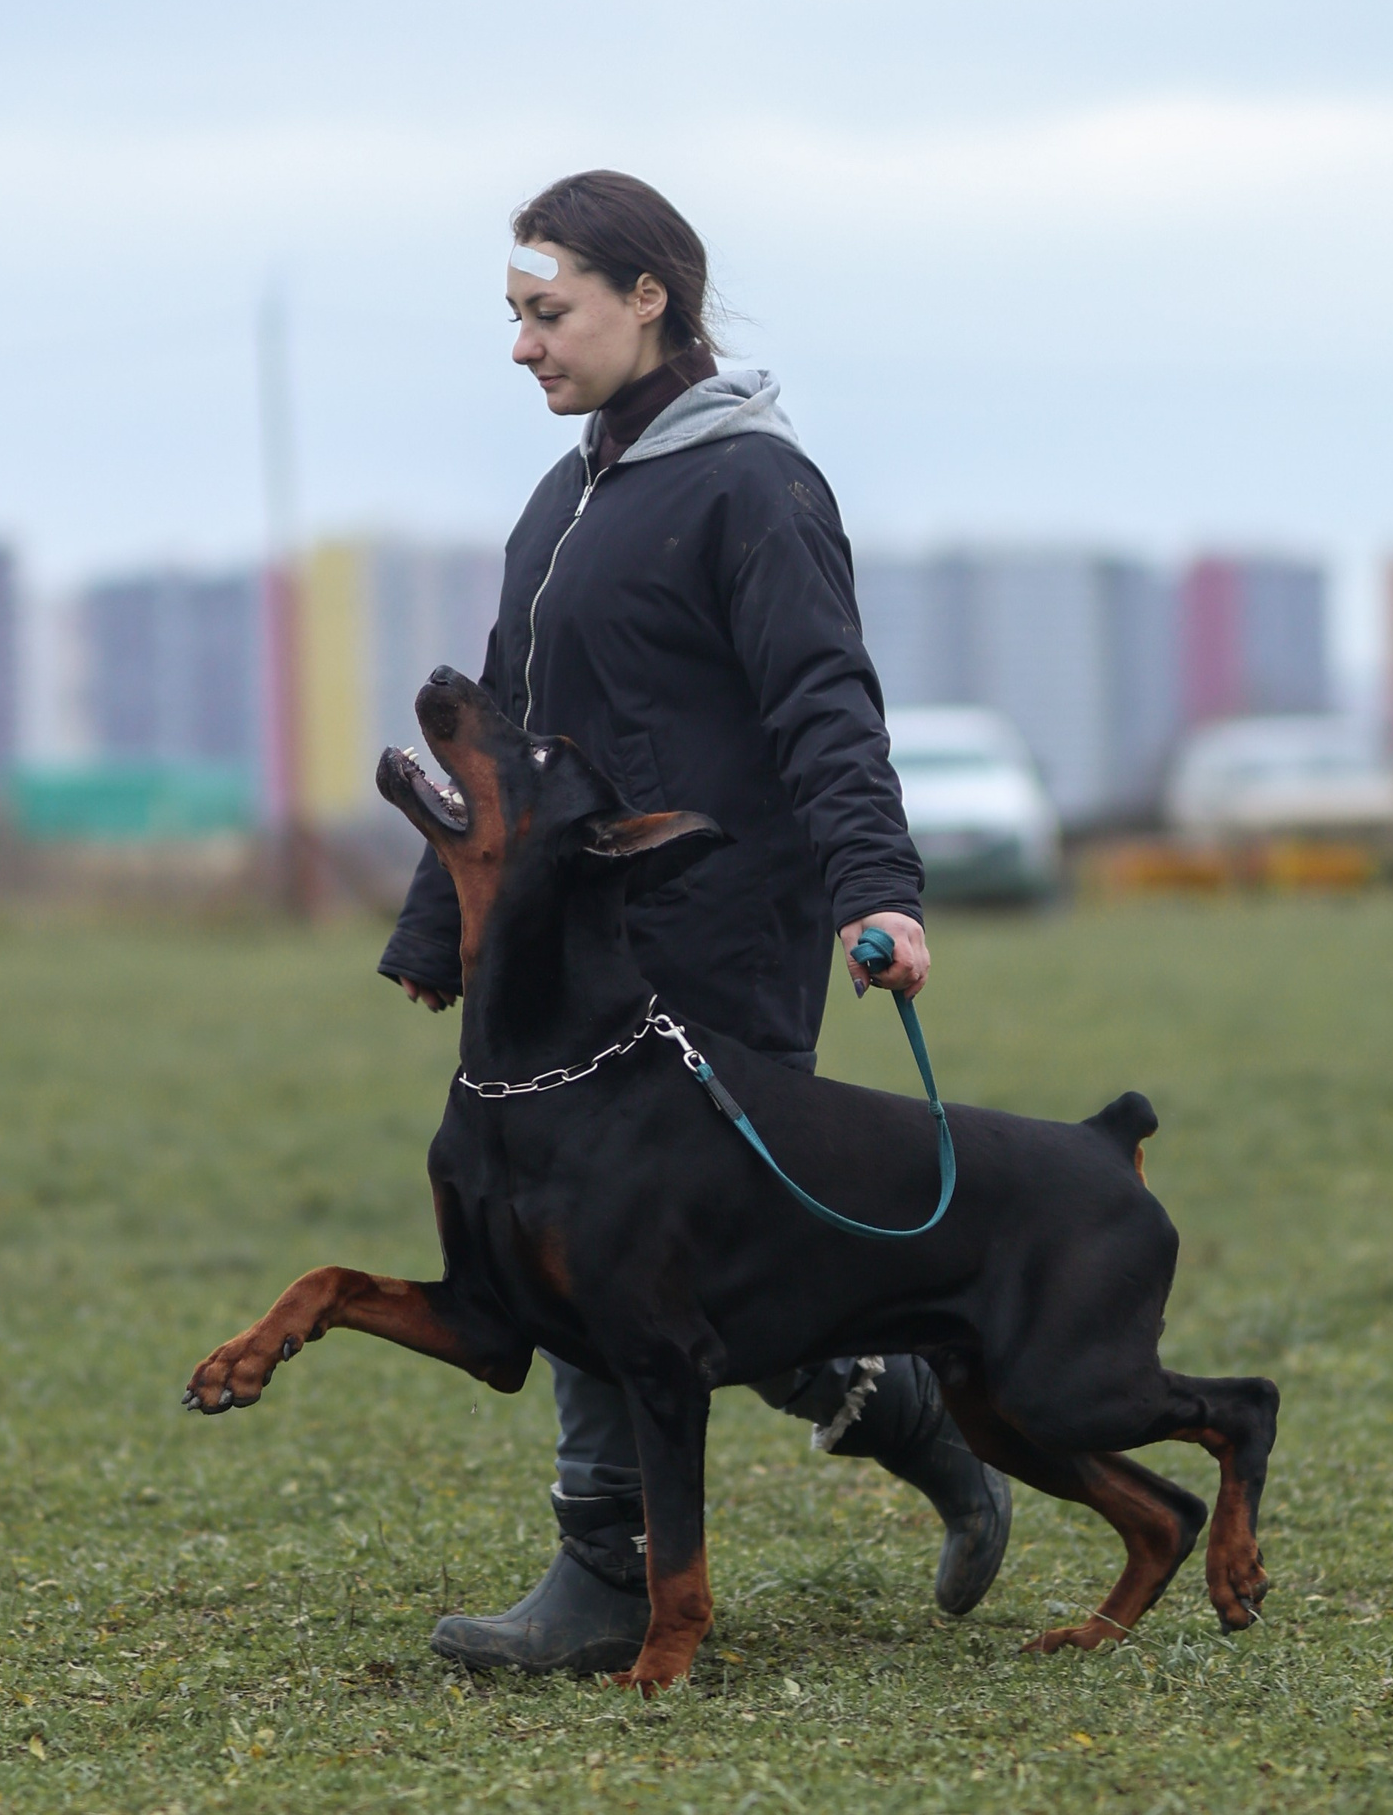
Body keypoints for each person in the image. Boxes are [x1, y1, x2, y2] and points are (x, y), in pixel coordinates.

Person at [378, 171, 1010, 1676]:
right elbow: (507, 730)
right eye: (517, 317)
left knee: (614, 1259)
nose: (524, 347)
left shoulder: (756, 487)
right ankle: (916, 1424)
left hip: (712, 936)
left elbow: (823, 703)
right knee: (679, 1279)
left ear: (647, 297)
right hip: (563, 959)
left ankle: (605, 1571)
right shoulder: (567, 495)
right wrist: (434, 925)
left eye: (550, 312)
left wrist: (876, 890)